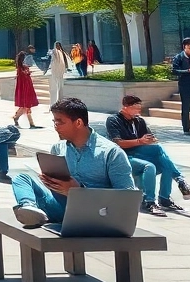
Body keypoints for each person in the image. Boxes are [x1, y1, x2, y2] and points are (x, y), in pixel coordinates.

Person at [11, 97, 138, 228]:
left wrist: (79, 191)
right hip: (60, 206)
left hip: (92, 213)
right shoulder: (58, 148)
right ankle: (29, 208)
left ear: (78, 122)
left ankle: (37, 212)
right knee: (22, 178)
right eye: (54, 122)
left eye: (60, 122)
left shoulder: (111, 153)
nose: (55, 127)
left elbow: (127, 197)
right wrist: (49, 182)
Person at [106, 95, 190, 215]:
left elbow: (150, 138)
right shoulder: (113, 120)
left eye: (139, 108)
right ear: (125, 107)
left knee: (166, 164)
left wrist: (151, 140)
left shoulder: (139, 121)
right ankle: (150, 201)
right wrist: (140, 141)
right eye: (136, 108)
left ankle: (165, 199)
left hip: (139, 153)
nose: (138, 111)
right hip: (123, 157)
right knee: (150, 165)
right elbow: (118, 143)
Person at [13, 46, 41, 129]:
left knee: (24, 106)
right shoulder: (21, 68)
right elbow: (24, 77)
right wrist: (27, 73)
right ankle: (31, 124)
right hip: (25, 89)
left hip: (27, 88)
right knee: (26, 105)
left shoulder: (22, 68)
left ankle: (16, 118)